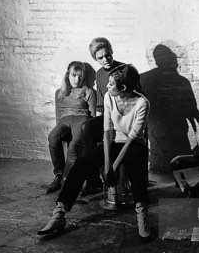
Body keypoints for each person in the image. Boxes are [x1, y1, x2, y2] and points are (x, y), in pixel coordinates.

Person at [38, 64, 151, 241]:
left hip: (133, 144)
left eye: (111, 83)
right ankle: (59, 213)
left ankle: (142, 215)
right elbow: (107, 130)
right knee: (80, 165)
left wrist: (113, 167)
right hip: (113, 141)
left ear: (122, 88)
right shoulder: (109, 97)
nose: (107, 86)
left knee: (136, 169)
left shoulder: (142, 103)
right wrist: (107, 164)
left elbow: (133, 137)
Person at [80, 37, 144, 196]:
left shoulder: (124, 70)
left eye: (107, 55)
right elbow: (102, 101)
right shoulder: (100, 74)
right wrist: (101, 122)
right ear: (95, 58)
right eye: (100, 57)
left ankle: (119, 178)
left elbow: (140, 96)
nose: (105, 60)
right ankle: (92, 180)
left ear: (112, 52)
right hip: (110, 115)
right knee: (86, 127)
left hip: (127, 117)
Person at [46, 61, 96, 194]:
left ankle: (67, 181)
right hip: (64, 121)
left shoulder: (88, 91)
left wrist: (84, 131)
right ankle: (59, 174)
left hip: (82, 119)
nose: (77, 79)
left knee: (74, 147)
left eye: (80, 76)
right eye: (74, 75)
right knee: (52, 137)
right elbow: (58, 115)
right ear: (68, 75)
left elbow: (93, 115)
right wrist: (61, 130)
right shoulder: (60, 92)